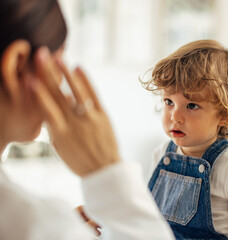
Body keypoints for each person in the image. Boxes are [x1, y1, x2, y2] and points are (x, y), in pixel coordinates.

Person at [0, 0, 174, 239]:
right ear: (17, 65)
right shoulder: (35, 224)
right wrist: (107, 170)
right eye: (57, 66)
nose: (60, 85)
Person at [142, 40, 228, 239]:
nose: (175, 116)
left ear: (225, 115)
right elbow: (147, 211)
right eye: (169, 102)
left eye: (191, 105)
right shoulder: (162, 154)